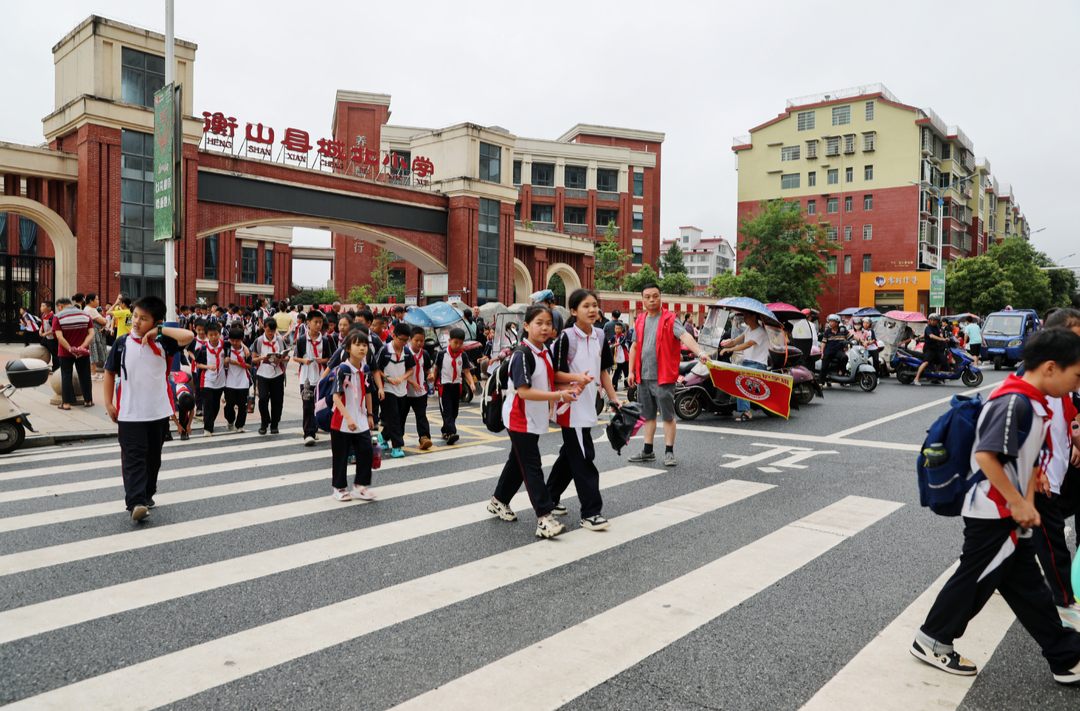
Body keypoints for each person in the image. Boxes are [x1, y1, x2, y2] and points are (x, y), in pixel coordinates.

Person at [912, 328, 1080, 684]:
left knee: (1027, 587)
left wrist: (1034, 479)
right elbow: (986, 455)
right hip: (993, 511)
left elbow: (1021, 451)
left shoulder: (1032, 399)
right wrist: (1019, 502)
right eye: (1076, 375)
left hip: (1005, 510)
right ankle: (932, 640)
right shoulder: (1013, 401)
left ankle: (1065, 657)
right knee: (975, 577)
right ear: (1051, 368)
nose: (1076, 384)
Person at [487, 305, 581, 539]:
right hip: (519, 419)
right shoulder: (522, 354)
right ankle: (544, 518)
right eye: (539, 322)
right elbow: (525, 391)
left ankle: (498, 500)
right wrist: (559, 395)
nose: (545, 327)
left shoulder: (544, 351)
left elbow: (550, 379)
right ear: (526, 326)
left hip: (533, 417)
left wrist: (574, 382)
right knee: (531, 465)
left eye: (548, 323)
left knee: (517, 462)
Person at [103, 295, 194, 521]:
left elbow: (189, 336)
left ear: (155, 322)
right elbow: (109, 371)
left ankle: (147, 493)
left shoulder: (164, 342)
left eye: (144, 319)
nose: (136, 322)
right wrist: (108, 403)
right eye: (135, 316)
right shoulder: (121, 343)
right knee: (133, 457)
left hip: (158, 412)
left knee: (153, 457)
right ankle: (135, 502)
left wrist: (161, 331)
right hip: (129, 412)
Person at [547, 289, 621, 531]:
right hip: (571, 407)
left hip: (590, 405)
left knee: (570, 456)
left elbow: (603, 371)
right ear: (573, 311)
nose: (592, 310)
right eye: (586, 306)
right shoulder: (566, 338)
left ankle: (549, 498)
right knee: (584, 457)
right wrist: (576, 377)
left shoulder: (600, 335)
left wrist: (614, 398)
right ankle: (591, 512)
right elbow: (554, 374)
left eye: (594, 305)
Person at [1031, 309, 1080, 629]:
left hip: (1059, 472)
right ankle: (1065, 604)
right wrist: (1036, 471)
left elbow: (1067, 420)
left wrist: (1074, 440)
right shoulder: (1032, 390)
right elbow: (990, 451)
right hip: (1038, 481)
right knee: (1050, 544)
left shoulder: (1063, 383)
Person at [626, 284, 710, 466]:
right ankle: (648, 451)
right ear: (642, 300)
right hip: (643, 376)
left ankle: (669, 452)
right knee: (648, 415)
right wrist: (630, 371)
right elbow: (633, 347)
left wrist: (700, 352)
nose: (651, 300)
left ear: (660, 297)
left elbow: (685, 337)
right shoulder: (639, 320)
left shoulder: (670, 319)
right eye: (647, 297)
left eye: (655, 296)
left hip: (663, 376)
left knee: (667, 415)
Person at [329, 331, 376, 501]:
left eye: (365, 345)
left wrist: (370, 415)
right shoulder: (342, 369)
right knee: (341, 455)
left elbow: (369, 392)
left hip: (361, 418)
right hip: (341, 420)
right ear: (348, 348)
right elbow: (335, 396)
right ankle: (339, 488)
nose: (362, 348)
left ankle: (359, 486)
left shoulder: (366, 368)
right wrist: (348, 417)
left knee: (366, 451)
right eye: (357, 345)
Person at [374, 321, 416, 459]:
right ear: (394, 335)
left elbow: (411, 369)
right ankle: (397, 447)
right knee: (393, 418)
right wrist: (387, 379)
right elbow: (376, 369)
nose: (404, 342)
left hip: (402, 390)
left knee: (400, 418)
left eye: (406, 340)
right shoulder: (385, 350)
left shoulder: (407, 351)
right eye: (401, 339)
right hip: (387, 389)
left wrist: (403, 377)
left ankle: (383, 436)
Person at [719, 311, 770, 422]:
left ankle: (747, 412)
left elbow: (747, 345)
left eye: (746, 316)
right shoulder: (748, 330)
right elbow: (734, 342)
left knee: (740, 375)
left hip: (758, 364)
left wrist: (730, 349)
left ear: (754, 317)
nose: (744, 318)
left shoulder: (760, 332)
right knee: (727, 372)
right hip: (747, 362)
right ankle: (726, 407)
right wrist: (720, 345)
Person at [293, 310, 330, 445]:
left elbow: (329, 358)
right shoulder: (302, 339)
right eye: (316, 322)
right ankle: (308, 433)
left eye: (320, 322)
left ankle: (314, 428)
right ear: (308, 323)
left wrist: (323, 360)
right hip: (306, 378)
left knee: (318, 405)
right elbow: (295, 357)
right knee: (307, 405)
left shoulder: (325, 340)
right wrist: (304, 361)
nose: (318, 325)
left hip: (321, 377)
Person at [435, 327, 476, 445]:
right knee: (447, 410)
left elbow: (466, 371)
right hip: (444, 386)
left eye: (461, 343)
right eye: (455, 342)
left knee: (454, 412)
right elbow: (436, 369)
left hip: (457, 386)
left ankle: (445, 430)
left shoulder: (462, 356)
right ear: (450, 340)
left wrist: (472, 383)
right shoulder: (442, 354)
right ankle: (452, 433)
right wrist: (433, 384)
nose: (458, 345)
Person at [53, 297, 95, 410]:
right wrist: (81, 347)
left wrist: (71, 349)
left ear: (60, 306)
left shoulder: (58, 316)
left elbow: (59, 337)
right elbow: (91, 334)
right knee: (85, 375)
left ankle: (66, 403)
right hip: (83, 352)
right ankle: (88, 400)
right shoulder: (85, 315)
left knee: (66, 375)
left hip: (65, 352)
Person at [400, 326, 434, 451]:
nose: (419, 343)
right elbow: (400, 372)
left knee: (421, 416)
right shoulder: (404, 353)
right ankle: (398, 438)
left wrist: (430, 376)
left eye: (422, 340)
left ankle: (424, 437)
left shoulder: (424, 353)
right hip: (405, 391)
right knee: (401, 416)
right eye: (416, 340)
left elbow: (427, 370)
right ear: (410, 340)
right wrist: (411, 382)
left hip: (421, 392)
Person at [252, 317, 287, 435]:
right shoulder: (259, 341)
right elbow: (253, 359)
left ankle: (275, 424)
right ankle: (264, 423)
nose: (270, 333)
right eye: (268, 330)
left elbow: (287, 356)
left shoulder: (280, 341)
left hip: (277, 374)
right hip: (262, 374)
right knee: (263, 399)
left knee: (277, 400)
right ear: (264, 328)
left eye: (272, 330)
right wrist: (262, 358)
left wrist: (281, 359)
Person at [194, 321, 228, 436]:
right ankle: (208, 428)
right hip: (206, 380)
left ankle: (210, 422)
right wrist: (208, 367)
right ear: (207, 335)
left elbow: (237, 343)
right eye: (211, 335)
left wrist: (245, 348)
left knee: (216, 404)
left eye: (216, 334)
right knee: (207, 403)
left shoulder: (225, 345)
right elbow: (198, 364)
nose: (213, 337)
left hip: (220, 380)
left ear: (220, 333)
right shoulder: (203, 349)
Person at [222, 327, 251, 434]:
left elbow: (249, 366)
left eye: (237, 341)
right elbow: (224, 365)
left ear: (242, 340)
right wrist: (226, 362)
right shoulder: (227, 348)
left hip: (243, 382)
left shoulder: (246, 351)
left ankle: (240, 425)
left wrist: (236, 363)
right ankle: (230, 420)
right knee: (229, 404)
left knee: (242, 405)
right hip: (229, 381)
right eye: (232, 340)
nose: (234, 343)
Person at [914, 313, 950, 386]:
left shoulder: (937, 327)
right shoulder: (928, 327)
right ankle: (916, 378)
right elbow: (931, 336)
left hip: (935, 347)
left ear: (937, 321)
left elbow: (939, 334)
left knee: (939, 362)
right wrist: (942, 339)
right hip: (929, 347)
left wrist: (945, 339)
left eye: (934, 320)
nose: (933, 322)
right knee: (926, 362)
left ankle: (934, 378)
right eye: (931, 320)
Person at [817, 314, 849, 388]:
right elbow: (824, 343)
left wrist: (861, 341)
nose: (830, 323)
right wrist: (822, 352)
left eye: (832, 322)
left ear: (837, 323)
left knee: (845, 357)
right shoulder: (827, 331)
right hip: (828, 351)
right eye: (829, 322)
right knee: (824, 365)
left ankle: (841, 371)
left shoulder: (842, 330)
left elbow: (852, 336)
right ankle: (821, 382)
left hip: (838, 351)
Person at [611, 322, 630, 390]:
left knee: (626, 373)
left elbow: (619, 343)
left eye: (619, 329)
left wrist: (612, 345)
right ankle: (614, 386)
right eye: (616, 328)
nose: (617, 330)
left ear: (622, 329)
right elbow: (610, 341)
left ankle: (627, 385)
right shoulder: (614, 336)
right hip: (617, 358)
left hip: (625, 358)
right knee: (616, 372)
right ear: (614, 329)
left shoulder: (623, 337)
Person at [39, 301, 58, 370]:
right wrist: (40, 330)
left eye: (43, 306)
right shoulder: (43, 316)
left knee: (54, 354)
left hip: (52, 339)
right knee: (43, 351)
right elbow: (42, 325)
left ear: (49, 308)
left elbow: (55, 330)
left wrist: (45, 333)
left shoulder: (53, 317)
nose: (41, 308)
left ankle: (55, 368)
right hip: (45, 338)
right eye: (41, 306)